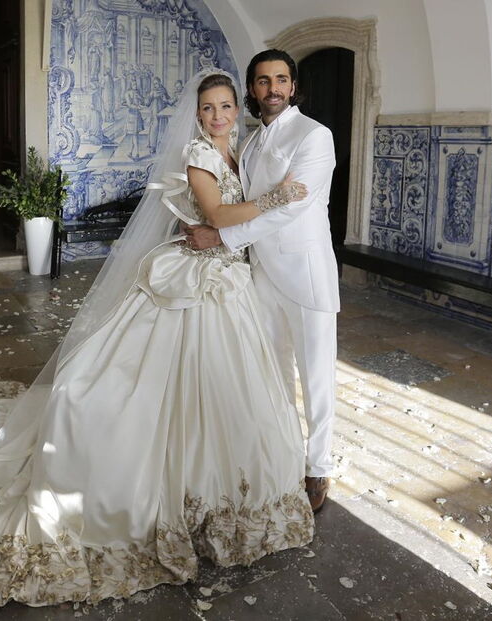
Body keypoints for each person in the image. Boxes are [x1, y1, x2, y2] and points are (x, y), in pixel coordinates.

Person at [0, 71, 314, 610]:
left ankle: (227, 495)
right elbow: (217, 215)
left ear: (240, 108)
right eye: (208, 107)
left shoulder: (241, 150)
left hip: (228, 281)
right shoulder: (199, 155)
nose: (217, 115)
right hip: (194, 281)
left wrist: (255, 209)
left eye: (226, 105)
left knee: (226, 390)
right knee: (141, 387)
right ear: (197, 112)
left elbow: (228, 222)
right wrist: (277, 198)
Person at [185, 49, 338, 513]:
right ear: (252, 89)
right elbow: (240, 200)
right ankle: (284, 453)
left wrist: (221, 236)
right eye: (263, 80)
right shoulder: (248, 141)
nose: (273, 88)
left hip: (305, 271)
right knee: (272, 373)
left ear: (292, 87)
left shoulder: (315, 135)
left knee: (316, 377)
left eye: (281, 79)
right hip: (260, 274)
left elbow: (292, 206)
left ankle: (319, 466)